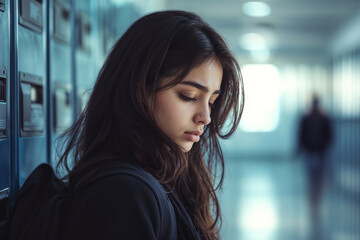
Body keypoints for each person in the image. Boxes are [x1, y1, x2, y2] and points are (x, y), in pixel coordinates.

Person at [8, 10, 243, 240]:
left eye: (211, 101)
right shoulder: (125, 193)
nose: (206, 116)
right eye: (189, 96)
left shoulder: (164, 178)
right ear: (139, 90)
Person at [298, 94, 332, 240]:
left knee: (312, 175)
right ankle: (316, 195)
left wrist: (300, 149)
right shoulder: (324, 118)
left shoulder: (306, 118)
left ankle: (313, 195)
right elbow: (330, 135)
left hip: (311, 151)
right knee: (318, 175)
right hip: (320, 151)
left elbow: (300, 135)